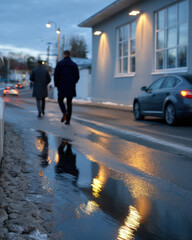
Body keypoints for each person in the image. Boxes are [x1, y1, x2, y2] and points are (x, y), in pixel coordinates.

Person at [54, 50, 79, 125]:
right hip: (71, 86)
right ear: (70, 55)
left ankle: (64, 112)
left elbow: (56, 75)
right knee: (69, 103)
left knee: (60, 100)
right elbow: (77, 77)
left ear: (64, 55)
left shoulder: (60, 64)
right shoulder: (74, 65)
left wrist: (56, 84)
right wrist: (73, 82)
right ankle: (68, 121)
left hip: (61, 86)